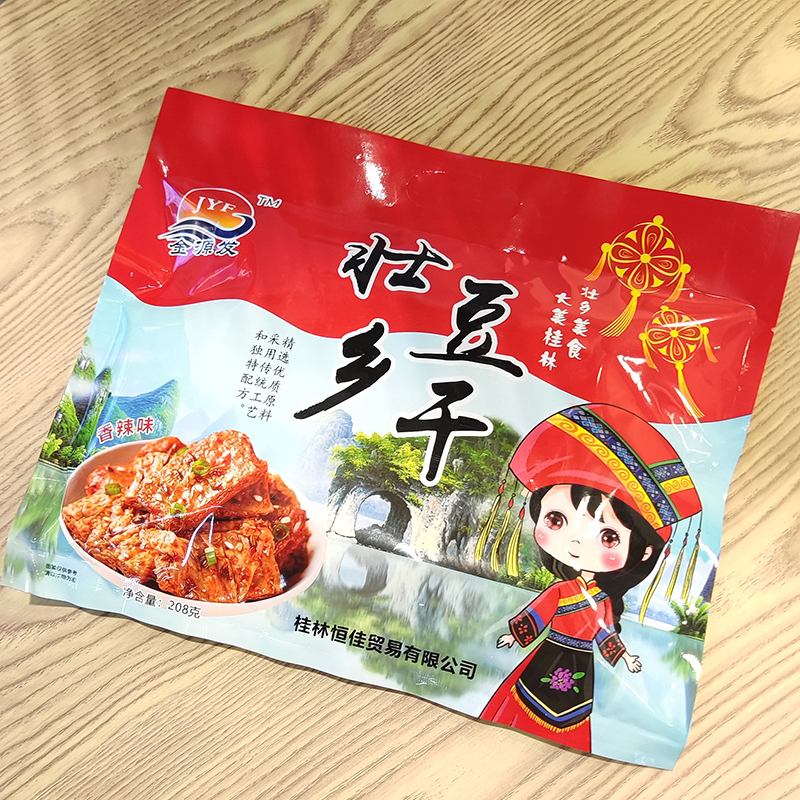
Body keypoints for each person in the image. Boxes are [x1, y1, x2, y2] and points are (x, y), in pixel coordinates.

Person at [480, 403, 701, 752]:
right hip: (549, 653)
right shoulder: (563, 590)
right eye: (556, 520)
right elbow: (538, 613)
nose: (576, 543)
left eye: (609, 537)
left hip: (581, 662)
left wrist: (625, 658)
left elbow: (605, 633)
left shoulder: (601, 600)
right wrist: (515, 635)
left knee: (571, 721)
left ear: (644, 552)